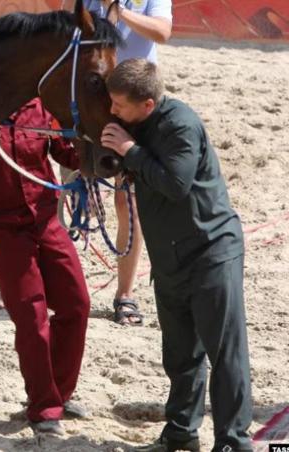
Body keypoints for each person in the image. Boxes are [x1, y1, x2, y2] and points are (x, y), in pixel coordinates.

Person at [100, 58, 252, 452]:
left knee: (225, 354)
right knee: (181, 354)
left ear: (147, 104)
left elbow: (176, 183)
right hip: (170, 257)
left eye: (118, 104)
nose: (112, 111)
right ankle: (181, 433)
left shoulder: (181, 124)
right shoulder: (134, 124)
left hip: (211, 252)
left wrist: (131, 152)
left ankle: (234, 442)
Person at [0, 98, 91, 436]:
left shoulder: (41, 107)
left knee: (76, 304)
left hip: (47, 221)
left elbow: (68, 154)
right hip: (3, 230)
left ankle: (59, 394)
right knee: (31, 319)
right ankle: (44, 408)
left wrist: (98, 147)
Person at [86, 0, 173, 326]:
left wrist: (120, 12)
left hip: (132, 101)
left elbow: (163, 32)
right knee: (67, 187)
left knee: (127, 201)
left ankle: (125, 294)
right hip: (90, 95)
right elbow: (66, 21)